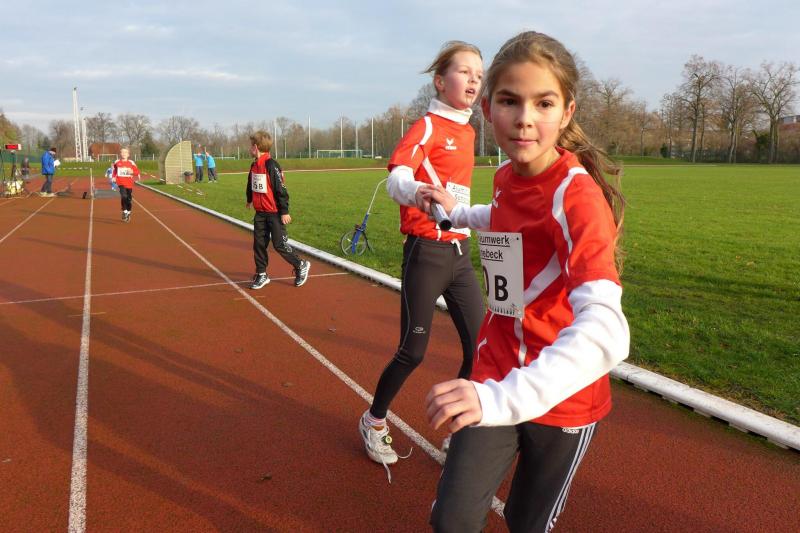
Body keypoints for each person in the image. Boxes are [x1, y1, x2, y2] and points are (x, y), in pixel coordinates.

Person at [424, 31, 630, 532]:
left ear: (567, 111)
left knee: (525, 522)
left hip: (562, 398)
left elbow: (607, 330)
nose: (524, 118)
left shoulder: (577, 198)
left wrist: (498, 400)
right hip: (494, 371)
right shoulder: (505, 176)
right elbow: (504, 217)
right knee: (452, 520)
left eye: (544, 103)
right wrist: (456, 214)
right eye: (509, 101)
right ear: (487, 109)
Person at [358, 41, 485, 476]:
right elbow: (396, 177)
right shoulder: (428, 126)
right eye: (464, 72)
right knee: (412, 351)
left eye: (479, 75)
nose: (473, 80)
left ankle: (460, 431)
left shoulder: (469, 131)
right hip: (426, 254)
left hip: (460, 255)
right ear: (440, 81)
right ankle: (374, 420)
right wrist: (418, 192)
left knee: (481, 348)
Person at [245, 131, 310, 289]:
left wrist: (284, 211)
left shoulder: (271, 165)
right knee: (259, 244)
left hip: (274, 213)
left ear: (256, 147)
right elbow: (251, 183)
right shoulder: (254, 165)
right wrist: (249, 199)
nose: (249, 148)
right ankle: (262, 274)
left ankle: (300, 264)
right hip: (260, 213)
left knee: (279, 244)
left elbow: (281, 189)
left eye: (251, 146)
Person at [113, 147, 140, 222]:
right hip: (120, 183)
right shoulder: (117, 162)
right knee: (123, 196)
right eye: (122, 152)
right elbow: (115, 171)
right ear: (120, 154)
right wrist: (113, 177)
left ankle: (128, 212)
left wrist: (132, 172)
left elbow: (137, 172)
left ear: (128, 154)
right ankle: (124, 211)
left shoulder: (131, 163)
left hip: (129, 184)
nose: (124, 154)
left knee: (129, 200)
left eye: (125, 152)